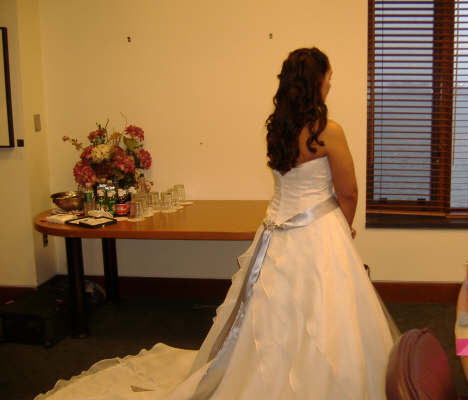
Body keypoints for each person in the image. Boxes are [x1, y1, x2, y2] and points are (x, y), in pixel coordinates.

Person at [36, 47, 397, 400]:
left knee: (271, 314)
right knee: (328, 317)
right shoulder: (329, 130)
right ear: (315, 82)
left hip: (276, 233)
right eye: (329, 76)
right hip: (318, 231)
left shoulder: (278, 129)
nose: (331, 83)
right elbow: (348, 192)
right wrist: (344, 230)